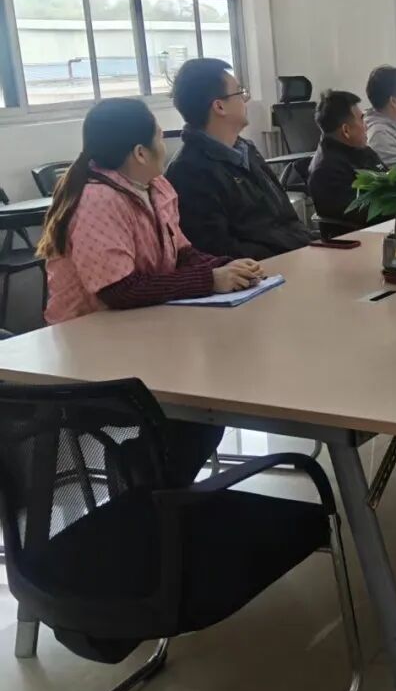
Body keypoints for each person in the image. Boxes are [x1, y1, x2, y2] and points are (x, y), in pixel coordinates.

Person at [38, 97, 264, 484]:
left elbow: (181, 252)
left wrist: (226, 266)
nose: (166, 143)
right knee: (199, 408)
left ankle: (151, 486)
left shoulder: (155, 186)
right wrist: (210, 280)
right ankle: (143, 484)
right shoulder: (98, 199)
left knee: (207, 404)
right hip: (91, 357)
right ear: (140, 152)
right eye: (160, 136)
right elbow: (119, 290)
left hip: (142, 334)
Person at [166, 58, 314, 259]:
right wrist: (288, 254)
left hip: (297, 253)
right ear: (219, 106)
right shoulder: (189, 171)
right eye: (240, 92)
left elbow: (286, 217)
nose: (246, 99)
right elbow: (218, 251)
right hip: (268, 268)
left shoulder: (246, 149)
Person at [307, 89, 388, 231]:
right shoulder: (326, 171)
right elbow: (363, 213)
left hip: (389, 226)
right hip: (365, 236)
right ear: (346, 130)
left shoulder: (362, 150)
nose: (366, 125)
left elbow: (389, 180)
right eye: (361, 119)